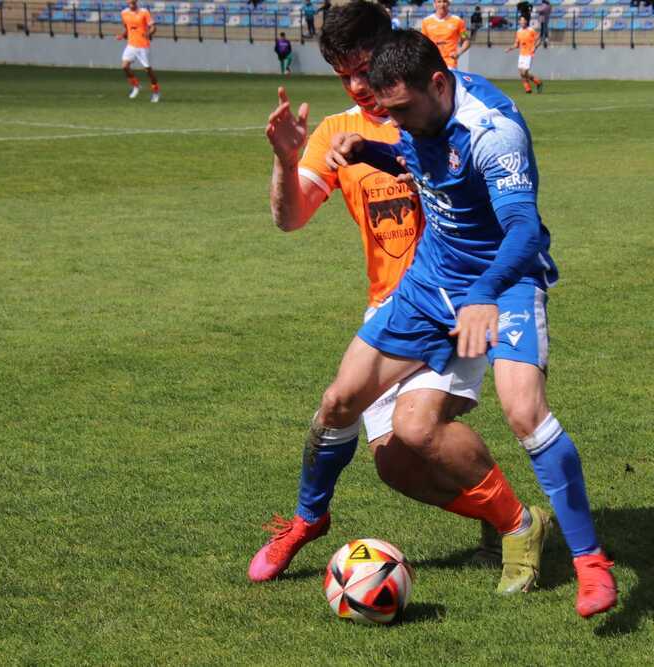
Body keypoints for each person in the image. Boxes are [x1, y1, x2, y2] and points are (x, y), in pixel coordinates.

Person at [252, 0, 549, 597]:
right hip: (394, 306)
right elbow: (291, 218)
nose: (359, 87)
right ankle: (313, 517)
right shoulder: (338, 132)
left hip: (460, 298)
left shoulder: (440, 113)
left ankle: (517, 525)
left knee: (418, 430)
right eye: (344, 76)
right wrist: (287, 163)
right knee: (388, 458)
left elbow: (510, 204)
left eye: (365, 69)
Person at [322, 28, 618, 619]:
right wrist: (369, 151)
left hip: (504, 279)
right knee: (340, 401)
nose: (397, 121)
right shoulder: (420, 115)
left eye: (402, 110)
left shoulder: (494, 132)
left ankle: (591, 563)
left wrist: (484, 291)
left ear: (438, 82)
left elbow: (524, 231)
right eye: (387, 112)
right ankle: (306, 520)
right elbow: (416, 159)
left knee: (524, 410)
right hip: (434, 281)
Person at [118, 0, 159, 103]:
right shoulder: (124, 13)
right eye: (129, 3)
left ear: (136, 2)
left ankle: (156, 92)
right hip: (131, 45)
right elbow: (127, 28)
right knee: (124, 66)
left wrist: (148, 34)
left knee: (148, 71)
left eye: (133, 3)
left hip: (143, 46)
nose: (131, 5)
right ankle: (136, 86)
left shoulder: (144, 12)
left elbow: (153, 27)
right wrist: (122, 35)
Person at [421, 0, 470, 69]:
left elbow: (466, 41)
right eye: (439, 1)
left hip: (450, 64)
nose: (442, 4)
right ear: (434, 4)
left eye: (444, 1)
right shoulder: (426, 22)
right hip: (432, 63)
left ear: (448, 3)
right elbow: (422, 43)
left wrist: (459, 52)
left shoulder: (458, 21)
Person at [506, 16, 543, 95]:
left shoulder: (531, 30)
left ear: (526, 22)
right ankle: (528, 90)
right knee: (521, 73)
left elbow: (539, 39)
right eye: (521, 21)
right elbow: (516, 44)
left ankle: (538, 82)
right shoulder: (518, 32)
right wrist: (510, 48)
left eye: (524, 20)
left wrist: (535, 47)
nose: (523, 22)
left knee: (525, 72)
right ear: (519, 22)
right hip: (522, 54)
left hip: (529, 53)